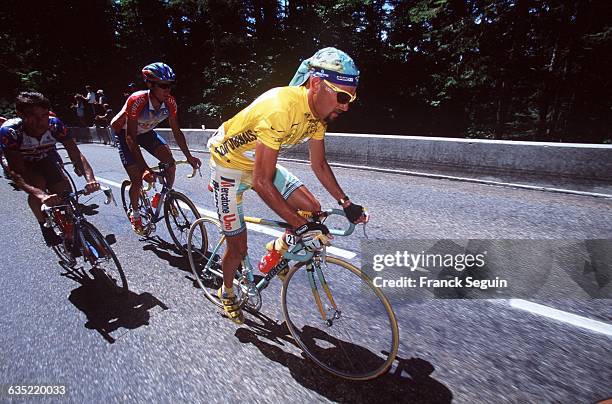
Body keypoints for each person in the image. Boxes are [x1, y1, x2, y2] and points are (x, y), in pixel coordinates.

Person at [206, 47, 369, 324]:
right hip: (229, 168)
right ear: (316, 84)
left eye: (351, 98)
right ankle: (228, 290)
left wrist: (346, 203)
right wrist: (301, 227)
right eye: (342, 97)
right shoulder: (281, 109)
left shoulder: (317, 115)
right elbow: (261, 182)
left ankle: (276, 251)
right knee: (238, 249)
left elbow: (319, 164)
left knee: (312, 209)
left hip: (256, 162)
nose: (346, 105)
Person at [110, 62, 201, 234]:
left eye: (170, 85)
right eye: (164, 86)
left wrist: (189, 156)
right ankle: (135, 214)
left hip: (146, 131)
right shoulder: (137, 101)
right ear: (151, 85)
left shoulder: (170, 102)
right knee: (137, 178)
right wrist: (144, 169)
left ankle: (161, 197)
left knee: (170, 164)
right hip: (124, 133)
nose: (168, 90)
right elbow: (130, 137)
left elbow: (177, 131)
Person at [0, 91, 100, 246]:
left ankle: (71, 227)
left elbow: (75, 153)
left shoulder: (54, 125)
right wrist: (39, 194)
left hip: (44, 155)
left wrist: (90, 178)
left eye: (44, 115)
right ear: (20, 115)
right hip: (22, 162)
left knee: (64, 192)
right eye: (33, 116)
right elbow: (16, 172)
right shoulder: (10, 132)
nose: (40, 122)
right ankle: (44, 226)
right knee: (38, 183)